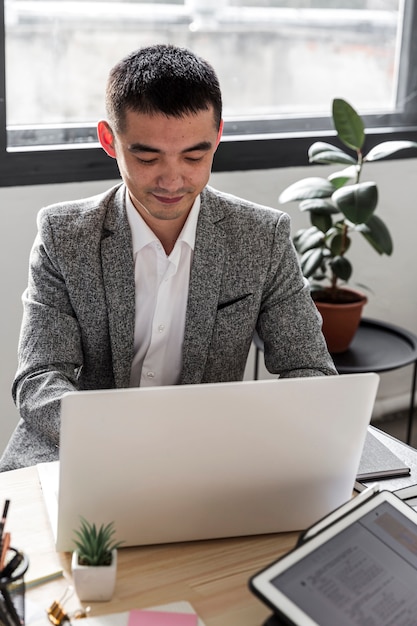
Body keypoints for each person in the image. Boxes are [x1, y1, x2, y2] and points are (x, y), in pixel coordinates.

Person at [0, 44, 337, 471]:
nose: (173, 179)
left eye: (195, 155)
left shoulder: (262, 237)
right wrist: (119, 443)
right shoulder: (64, 235)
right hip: (86, 450)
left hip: (208, 454)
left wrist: (248, 437)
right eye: (147, 156)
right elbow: (39, 378)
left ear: (217, 137)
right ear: (110, 140)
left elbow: (310, 369)